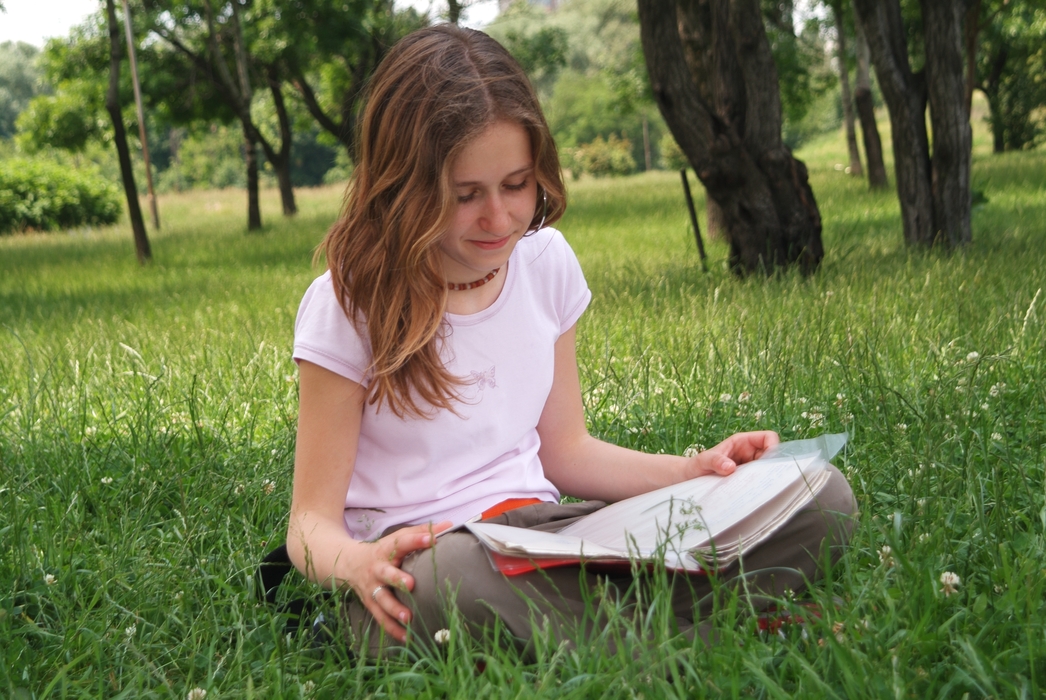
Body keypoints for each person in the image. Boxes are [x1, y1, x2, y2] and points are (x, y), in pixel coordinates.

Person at [287, 24, 855, 658]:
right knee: (456, 586)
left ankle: (633, 630)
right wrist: (359, 566)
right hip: (432, 560)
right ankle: (709, 628)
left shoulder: (545, 262)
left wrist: (696, 472)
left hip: (556, 533)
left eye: (516, 185)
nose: (499, 218)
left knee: (818, 494)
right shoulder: (348, 303)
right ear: (404, 187)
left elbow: (567, 452)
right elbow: (308, 526)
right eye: (465, 195)